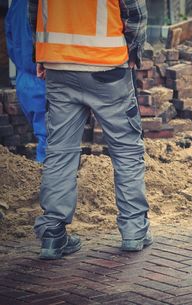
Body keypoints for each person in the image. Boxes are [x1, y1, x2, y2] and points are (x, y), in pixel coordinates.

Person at [29, 0, 152, 260]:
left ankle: (52, 233)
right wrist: (134, 52)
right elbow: (135, 13)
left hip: (58, 64)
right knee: (126, 149)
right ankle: (133, 231)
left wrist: (38, 54)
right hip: (107, 67)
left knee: (59, 151)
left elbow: (34, 11)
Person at [5, 0, 47, 163]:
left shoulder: (17, 4)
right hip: (44, 78)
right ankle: (47, 183)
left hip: (25, 78)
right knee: (49, 139)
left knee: (45, 135)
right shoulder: (49, 5)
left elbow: (10, 37)